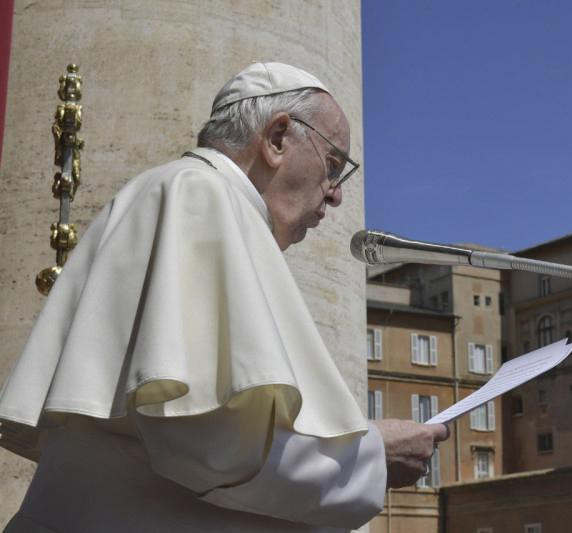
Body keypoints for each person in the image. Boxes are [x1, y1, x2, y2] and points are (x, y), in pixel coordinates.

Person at [0, 62, 448, 532]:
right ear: (277, 139)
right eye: (333, 165)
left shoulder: (174, 192)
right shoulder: (203, 195)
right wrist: (372, 457)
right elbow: (206, 445)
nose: (335, 196)